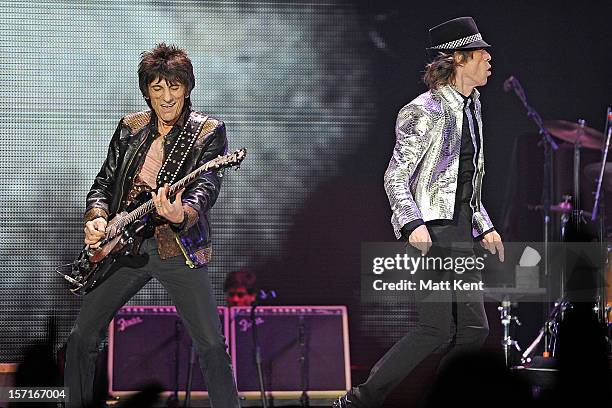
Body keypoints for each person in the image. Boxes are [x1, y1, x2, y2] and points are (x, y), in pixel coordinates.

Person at [334, 17, 504, 407]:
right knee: (435, 329)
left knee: (473, 330)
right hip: (433, 231)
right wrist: (412, 222)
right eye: (481, 54)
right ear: (460, 59)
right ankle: (359, 400)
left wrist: (484, 226)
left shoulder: (471, 107)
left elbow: (466, 183)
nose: (489, 60)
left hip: (460, 230)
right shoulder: (423, 110)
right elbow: (396, 174)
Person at [65, 43, 240, 408]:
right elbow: (103, 183)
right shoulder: (131, 127)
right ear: (146, 91)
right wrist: (97, 218)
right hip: (123, 246)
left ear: (187, 87)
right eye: (157, 88)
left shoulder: (208, 131)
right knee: (82, 337)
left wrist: (181, 214)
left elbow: (206, 189)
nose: (166, 97)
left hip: (175, 248)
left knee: (210, 344)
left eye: (174, 87)